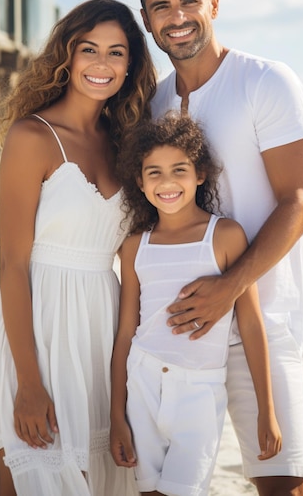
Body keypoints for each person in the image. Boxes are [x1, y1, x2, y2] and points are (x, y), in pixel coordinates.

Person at [0, 0, 156, 496]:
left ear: (131, 65)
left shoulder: (126, 141)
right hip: (29, 333)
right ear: (67, 54)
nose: (102, 64)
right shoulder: (32, 136)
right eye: (89, 49)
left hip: (96, 337)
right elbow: (13, 265)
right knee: (29, 475)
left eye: (117, 53)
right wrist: (29, 383)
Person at [136, 0, 303, 496]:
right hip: (178, 334)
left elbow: (300, 202)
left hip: (264, 321)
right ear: (147, 21)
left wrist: (230, 287)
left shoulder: (266, 81)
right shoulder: (155, 104)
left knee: (282, 482)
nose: (178, 15)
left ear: (213, 3)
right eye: (161, 6)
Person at [110, 113, 282, 496]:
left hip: (200, 391)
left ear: (200, 174)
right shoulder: (135, 245)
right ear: (139, 181)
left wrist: (266, 411)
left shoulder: (224, 235)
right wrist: (116, 416)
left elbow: (251, 324)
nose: (167, 182)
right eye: (153, 172)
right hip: (142, 383)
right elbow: (126, 331)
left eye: (179, 170)